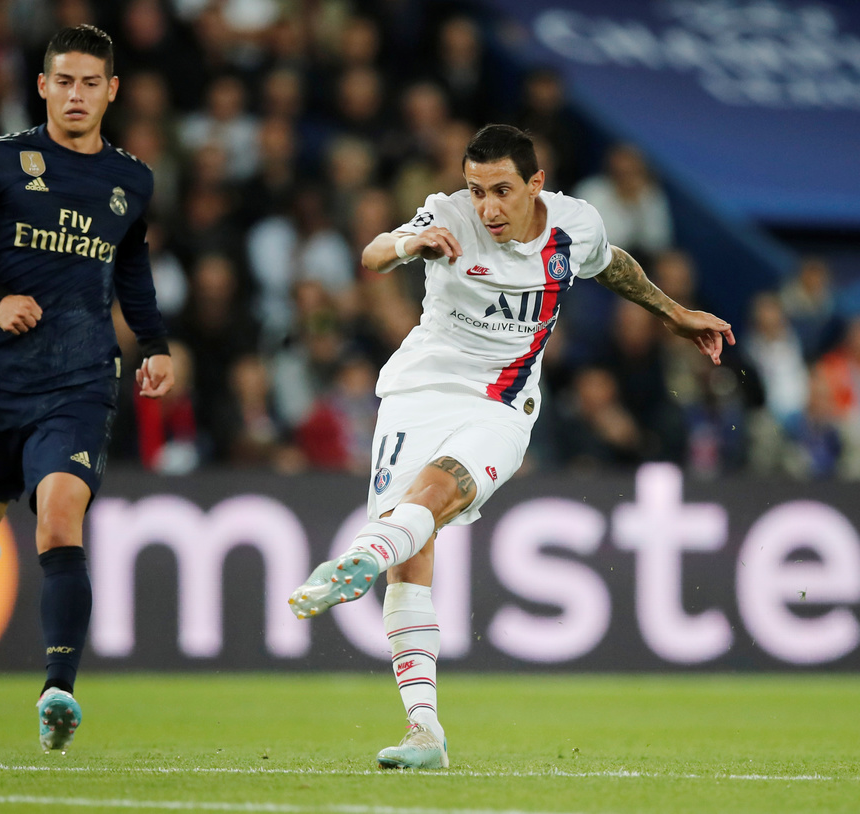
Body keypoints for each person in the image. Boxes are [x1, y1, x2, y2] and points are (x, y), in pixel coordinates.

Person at [288, 124, 734, 770]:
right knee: (412, 553)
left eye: (501, 190)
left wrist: (674, 313)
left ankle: (361, 555)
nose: (487, 207)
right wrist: (412, 242)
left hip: (501, 403)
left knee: (435, 494)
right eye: (476, 190)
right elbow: (375, 254)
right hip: (418, 391)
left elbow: (612, 264)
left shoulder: (574, 225)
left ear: (535, 184)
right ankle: (424, 731)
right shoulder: (448, 216)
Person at [0, 25, 173, 754]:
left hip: (80, 382)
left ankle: (58, 690)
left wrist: (154, 343)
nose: (76, 95)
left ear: (112, 91)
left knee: (60, 518)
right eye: (64, 81)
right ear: (42, 86)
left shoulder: (132, 180)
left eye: (90, 83)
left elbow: (129, 265)